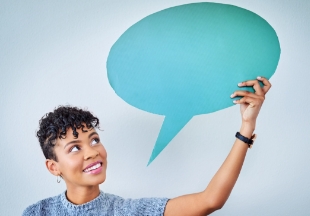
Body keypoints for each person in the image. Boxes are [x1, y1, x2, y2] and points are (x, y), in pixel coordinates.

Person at [22, 76, 271, 216]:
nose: (92, 151)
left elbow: (210, 200)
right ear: (53, 167)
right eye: (75, 148)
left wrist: (247, 126)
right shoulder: (37, 213)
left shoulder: (129, 211)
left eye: (94, 140)